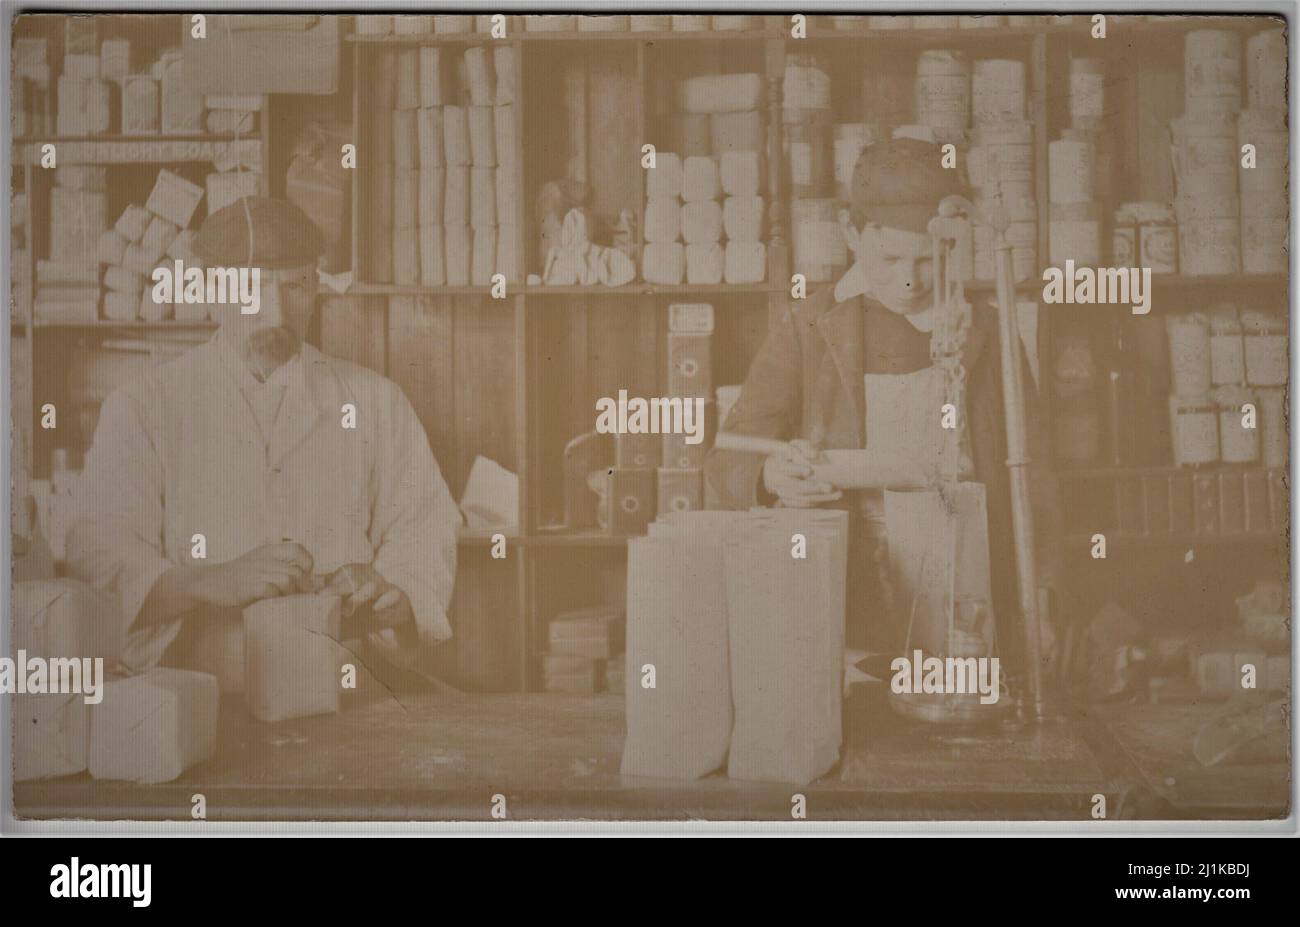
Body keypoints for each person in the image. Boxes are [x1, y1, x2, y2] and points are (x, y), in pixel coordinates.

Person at [67, 197, 462, 685]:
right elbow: (99, 556)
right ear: (209, 289)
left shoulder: (374, 401)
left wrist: (395, 594)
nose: (274, 312)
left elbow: (423, 525)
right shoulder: (143, 406)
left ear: (316, 287)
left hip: (340, 678)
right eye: (250, 288)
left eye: (294, 286)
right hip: (198, 689)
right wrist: (211, 581)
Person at [704, 138, 1058, 667]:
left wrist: (1041, 600)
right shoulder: (810, 326)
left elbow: (1037, 477)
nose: (910, 281)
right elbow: (727, 456)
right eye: (890, 258)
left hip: (969, 580)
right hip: (852, 584)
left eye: (927, 259)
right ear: (851, 234)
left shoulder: (985, 328)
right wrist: (771, 474)